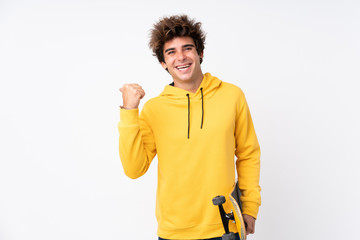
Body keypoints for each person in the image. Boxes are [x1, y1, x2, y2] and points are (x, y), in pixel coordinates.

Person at [118, 15, 261, 240]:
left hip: (225, 227)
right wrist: (129, 111)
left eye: (187, 48)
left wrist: (250, 207)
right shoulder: (154, 109)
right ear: (163, 63)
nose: (181, 57)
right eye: (171, 52)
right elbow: (134, 169)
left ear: (200, 53)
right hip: (174, 232)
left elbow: (248, 154)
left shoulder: (232, 96)